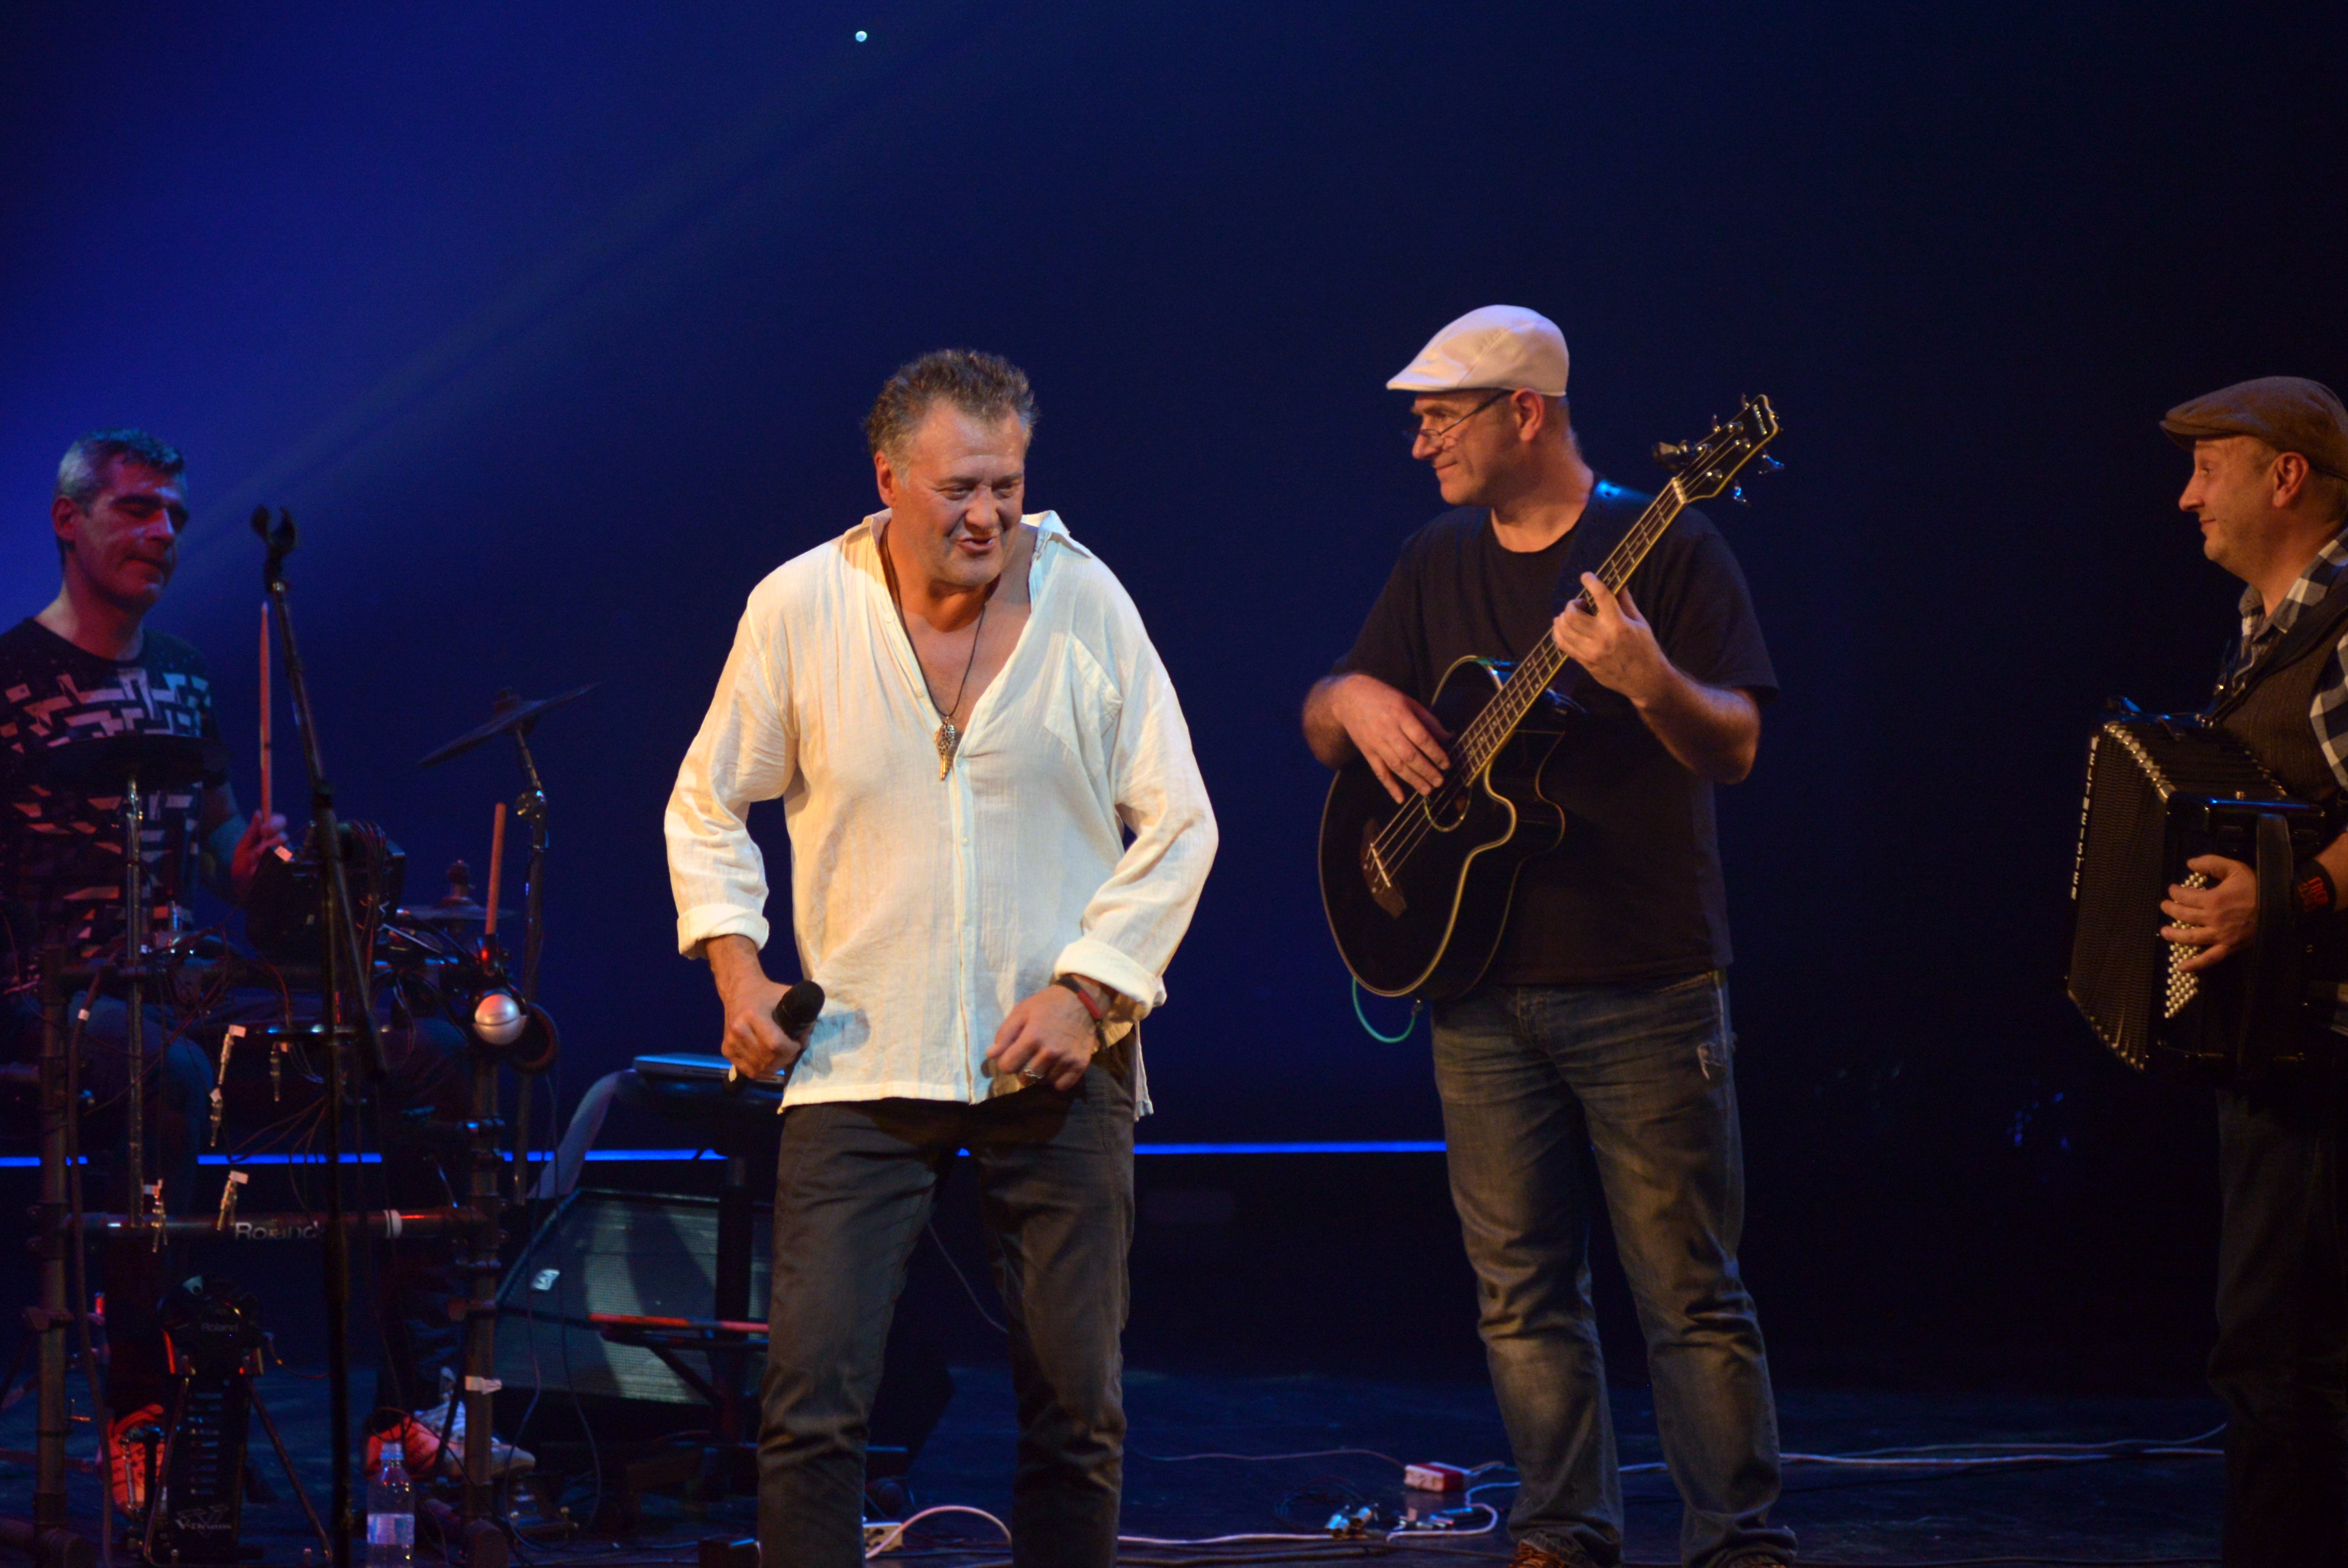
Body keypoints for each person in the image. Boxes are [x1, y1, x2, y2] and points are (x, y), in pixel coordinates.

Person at [665, 349, 1216, 1567]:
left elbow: (1182, 820)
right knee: (811, 1406)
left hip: (1057, 1062)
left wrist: (1089, 990)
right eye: (958, 488)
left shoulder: (1084, 601)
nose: (985, 516)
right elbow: (705, 805)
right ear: (887, 480)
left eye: (1006, 487)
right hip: (862, 1054)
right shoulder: (800, 606)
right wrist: (739, 974)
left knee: (1076, 1409)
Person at [1302, 307, 1794, 1568]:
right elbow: (1319, 719)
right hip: (1475, 986)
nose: (1421, 443)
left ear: (1524, 412)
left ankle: (1736, 1545)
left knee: (1686, 1291)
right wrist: (1353, 696)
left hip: (1641, 979)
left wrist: (1647, 679)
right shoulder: (1434, 557)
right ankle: (1563, 1534)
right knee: (1520, 1296)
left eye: (1440, 417)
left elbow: (1736, 745)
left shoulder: (1670, 540)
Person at [0, 429, 289, 1512]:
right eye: (136, 508)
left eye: (173, 513)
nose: (162, 532)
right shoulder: (10, 678)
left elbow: (213, 843)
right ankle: (138, 1402)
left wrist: (245, 865)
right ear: (68, 520)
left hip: (176, 982)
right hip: (46, 995)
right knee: (167, 1079)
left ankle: (409, 1411)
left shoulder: (185, 673)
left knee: (414, 1055)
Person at [2153, 376, 2348, 1567]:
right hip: (2276, 1045)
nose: (2186, 498)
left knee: (2282, 1361)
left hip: (2330, 1049)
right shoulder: (2262, 633)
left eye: (2206, 470)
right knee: (2271, 1354)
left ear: (2285, 477)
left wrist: (2284, 897)